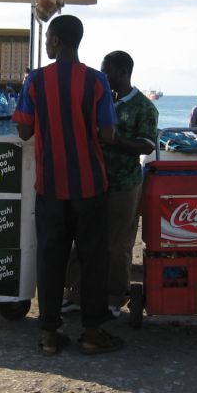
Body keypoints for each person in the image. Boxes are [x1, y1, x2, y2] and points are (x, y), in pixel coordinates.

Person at [13, 14, 124, 356]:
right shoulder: (97, 82)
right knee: (93, 259)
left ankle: (49, 333)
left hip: (50, 186)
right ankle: (92, 332)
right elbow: (107, 134)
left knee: (50, 258)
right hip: (90, 184)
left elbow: (23, 131)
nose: (46, 43)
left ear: (58, 41)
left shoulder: (35, 81)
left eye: (48, 38)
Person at [63, 51, 158, 317]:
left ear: (122, 72)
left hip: (124, 184)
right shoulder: (101, 100)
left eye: (107, 72)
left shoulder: (144, 107)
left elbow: (147, 145)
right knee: (82, 239)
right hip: (93, 180)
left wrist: (115, 140)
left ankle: (115, 298)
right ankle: (75, 294)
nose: (102, 77)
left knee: (117, 245)